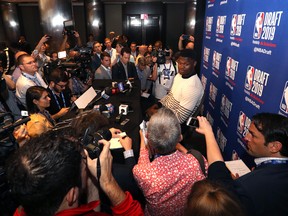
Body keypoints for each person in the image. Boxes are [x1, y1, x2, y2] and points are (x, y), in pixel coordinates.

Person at [6, 125, 144, 215]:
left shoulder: (21, 209)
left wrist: (91, 180)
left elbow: (92, 209)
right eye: (84, 165)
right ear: (71, 195)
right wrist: (108, 182)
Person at [196, 113, 288, 216]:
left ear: (274, 146)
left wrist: (208, 133)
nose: (246, 137)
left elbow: (219, 184)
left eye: (253, 135)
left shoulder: (249, 186)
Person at [133, 107, 207, 216]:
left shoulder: (142, 172)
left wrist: (143, 140)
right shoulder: (197, 162)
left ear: (148, 137)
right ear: (180, 137)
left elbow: (143, 161)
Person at [147, 49, 204, 124]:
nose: (182, 67)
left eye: (186, 64)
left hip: (175, 126)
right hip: (165, 114)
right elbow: (170, 95)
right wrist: (158, 104)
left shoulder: (193, 87)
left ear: (194, 64)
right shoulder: (178, 76)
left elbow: (179, 119)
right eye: (180, 63)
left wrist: (157, 114)